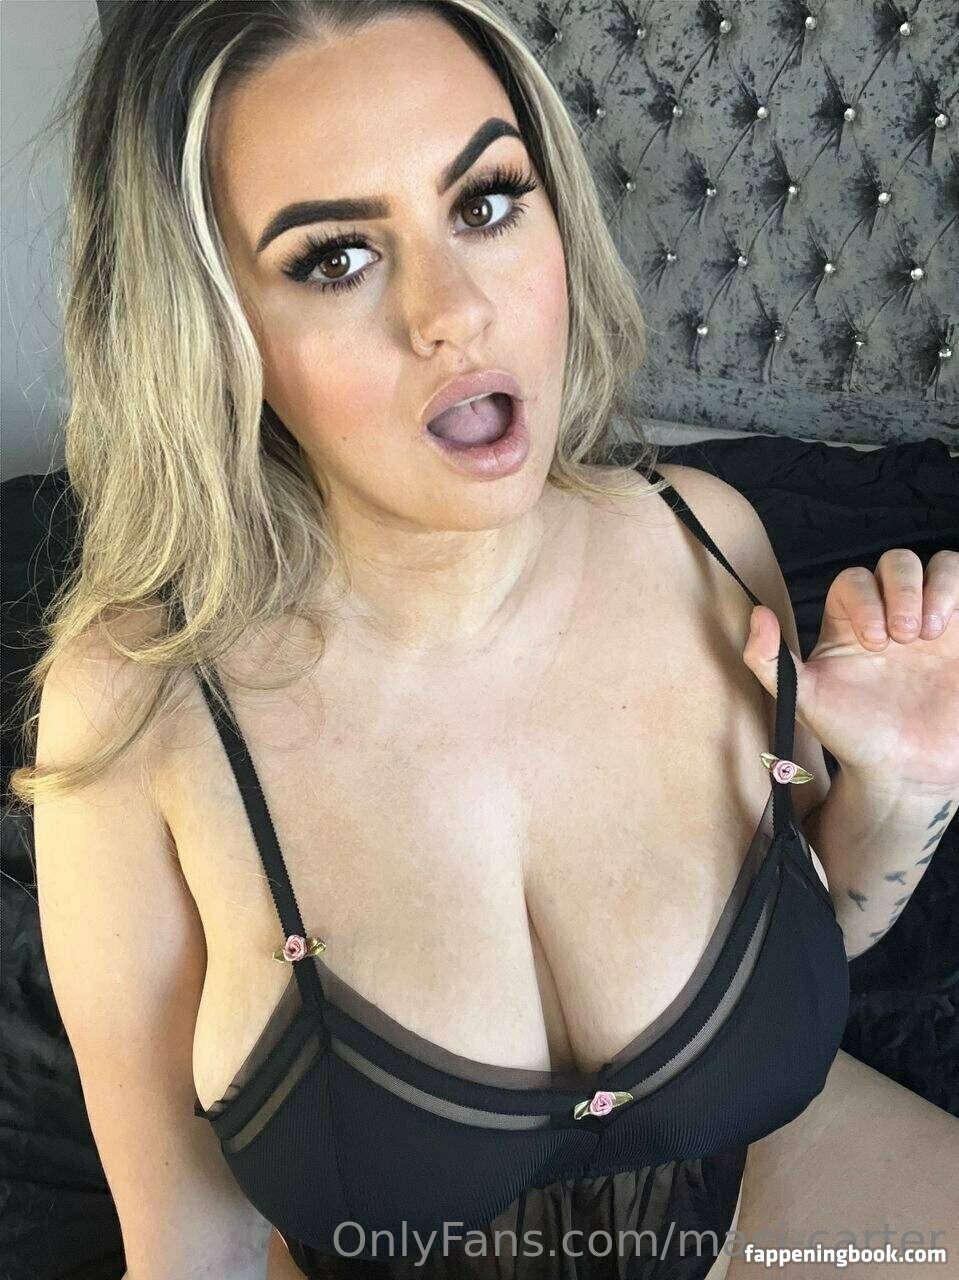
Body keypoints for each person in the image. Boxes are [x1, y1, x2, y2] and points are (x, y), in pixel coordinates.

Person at [19, 3, 957, 1279]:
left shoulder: (705, 539)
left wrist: (902, 789)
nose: (453, 310)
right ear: (211, 327)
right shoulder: (139, 702)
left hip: (766, 1209)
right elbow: (191, 1249)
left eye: (486, 201)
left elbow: (798, 953)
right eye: (334, 258)